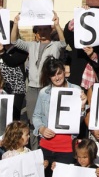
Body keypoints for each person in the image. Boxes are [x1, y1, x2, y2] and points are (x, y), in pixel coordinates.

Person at [11, 11, 66, 148]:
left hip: (48, 88)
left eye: (45, 29)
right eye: (39, 29)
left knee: (46, 118)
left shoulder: (55, 46)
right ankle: (34, 148)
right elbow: (14, 41)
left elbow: (64, 43)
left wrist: (58, 25)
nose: (42, 32)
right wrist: (16, 24)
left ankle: (46, 148)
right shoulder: (32, 45)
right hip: (33, 88)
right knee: (32, 120)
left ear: (50, 30)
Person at [32, 57, 86, 177]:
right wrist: (42, 128)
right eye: (53, 75)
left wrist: (82, 107)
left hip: (66, 144)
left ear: (64, 72)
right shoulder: (44, 92)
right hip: (47, 144)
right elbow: (36, 116)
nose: (57, 77)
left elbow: (79, 121)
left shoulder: (76, 90)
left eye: (59, 73)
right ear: (49, 77)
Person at [0, 24, 28, 121]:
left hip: (15, 89)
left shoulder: (21, 49)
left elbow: (12, 62)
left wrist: (2, 53)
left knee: (13, 118)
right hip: (0, 88)